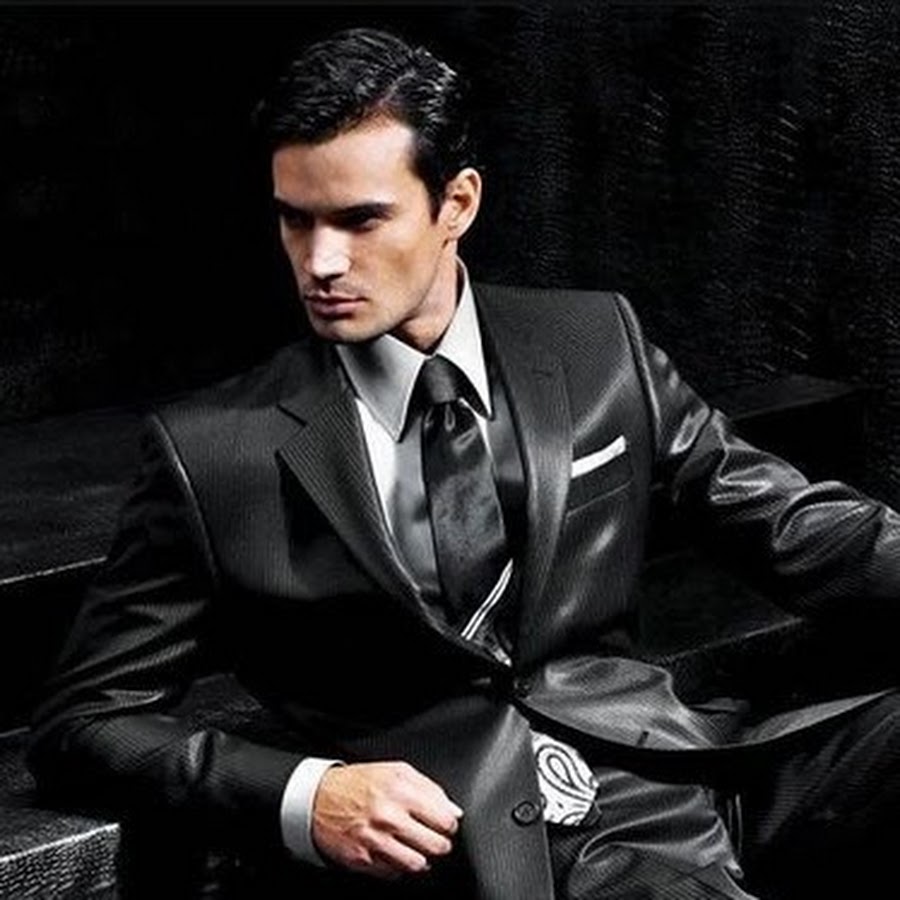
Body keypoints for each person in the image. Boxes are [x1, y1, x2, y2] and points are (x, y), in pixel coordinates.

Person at [28, 26, 900, 900]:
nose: (321, 262)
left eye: (362, 219)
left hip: (685, 773)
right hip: (497, 847)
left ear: (457, 204)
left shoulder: (594, 343)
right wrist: (306, 792)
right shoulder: (215, 451)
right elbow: (86, 721)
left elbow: (794, 526)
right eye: (296, 219)